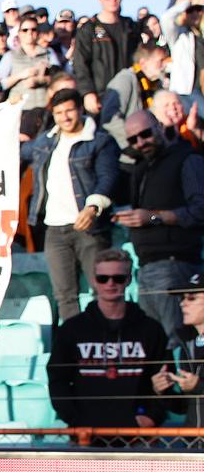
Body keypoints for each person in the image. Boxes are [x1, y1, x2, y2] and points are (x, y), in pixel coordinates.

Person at [19, 90, 120, 320]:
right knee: (64, 295)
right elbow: (16, 151)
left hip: (89, 227)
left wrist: (93, 207)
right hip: (54, 229)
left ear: (80, 109)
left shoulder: (100, 141)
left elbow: (109, 177)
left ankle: (103, 345)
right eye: (58, 113)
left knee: (102, 290)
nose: (64, 117)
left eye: (69, 111)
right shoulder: (45, 142)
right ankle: (74, 348)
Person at [48, 249, 168, 429]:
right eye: (103, 278)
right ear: (94, 281)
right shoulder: (72, 329)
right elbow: (58, 380)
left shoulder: (150, 329)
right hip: (86, 433)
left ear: (128, 280)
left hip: (138, 433)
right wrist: (75, 420)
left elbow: (163, 376)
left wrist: (151, 417)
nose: (110, 284)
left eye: (118, 278)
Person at [113, 111, 204, 338]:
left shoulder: (187, 159)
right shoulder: (142, 167)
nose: (140, 143)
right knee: (155, 345)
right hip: (145, 266)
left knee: (176, 340)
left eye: (145, 134)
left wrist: (153, 217)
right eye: (133, 139)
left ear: (160, 127)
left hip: (175, 264)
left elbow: (199, 211)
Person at [75, 0, 140, 116]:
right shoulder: (88, 29)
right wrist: (87, 93)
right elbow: (80, 64)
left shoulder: (130, 27)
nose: (113, 0)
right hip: (101, 95)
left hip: (130, 93)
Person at [100, 42, 170, 148]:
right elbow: (109, 119)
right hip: (127, 151)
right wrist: (134, 140)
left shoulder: (156, 85)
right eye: (160, 61)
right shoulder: (125, 79)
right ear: (143, 63)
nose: (164, 65)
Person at [157, 273, 204, 426]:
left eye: (191, 298)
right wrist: (163, 390)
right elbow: (184, 408)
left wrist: (199, 386)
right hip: (192, 444)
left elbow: (198, 389)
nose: (183, 304)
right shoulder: (186, 343)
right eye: (181, 298)